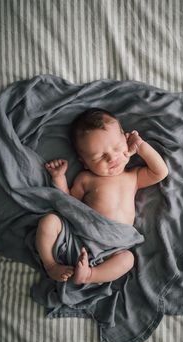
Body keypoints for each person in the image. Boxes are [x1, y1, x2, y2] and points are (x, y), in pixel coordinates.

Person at [35, 108, 168, 284]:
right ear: (85, 163)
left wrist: (141, 146)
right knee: (49, 221)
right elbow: (68, 203)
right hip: (80, 236)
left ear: (126, 141)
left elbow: (160, 172)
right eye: (99, 157)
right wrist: (59, 178)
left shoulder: (133, 177)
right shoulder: (86, 178)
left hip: (114, 245)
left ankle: (90, 275)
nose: (112, 158)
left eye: (117, 147)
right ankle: (51, 265)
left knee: (128, 259)